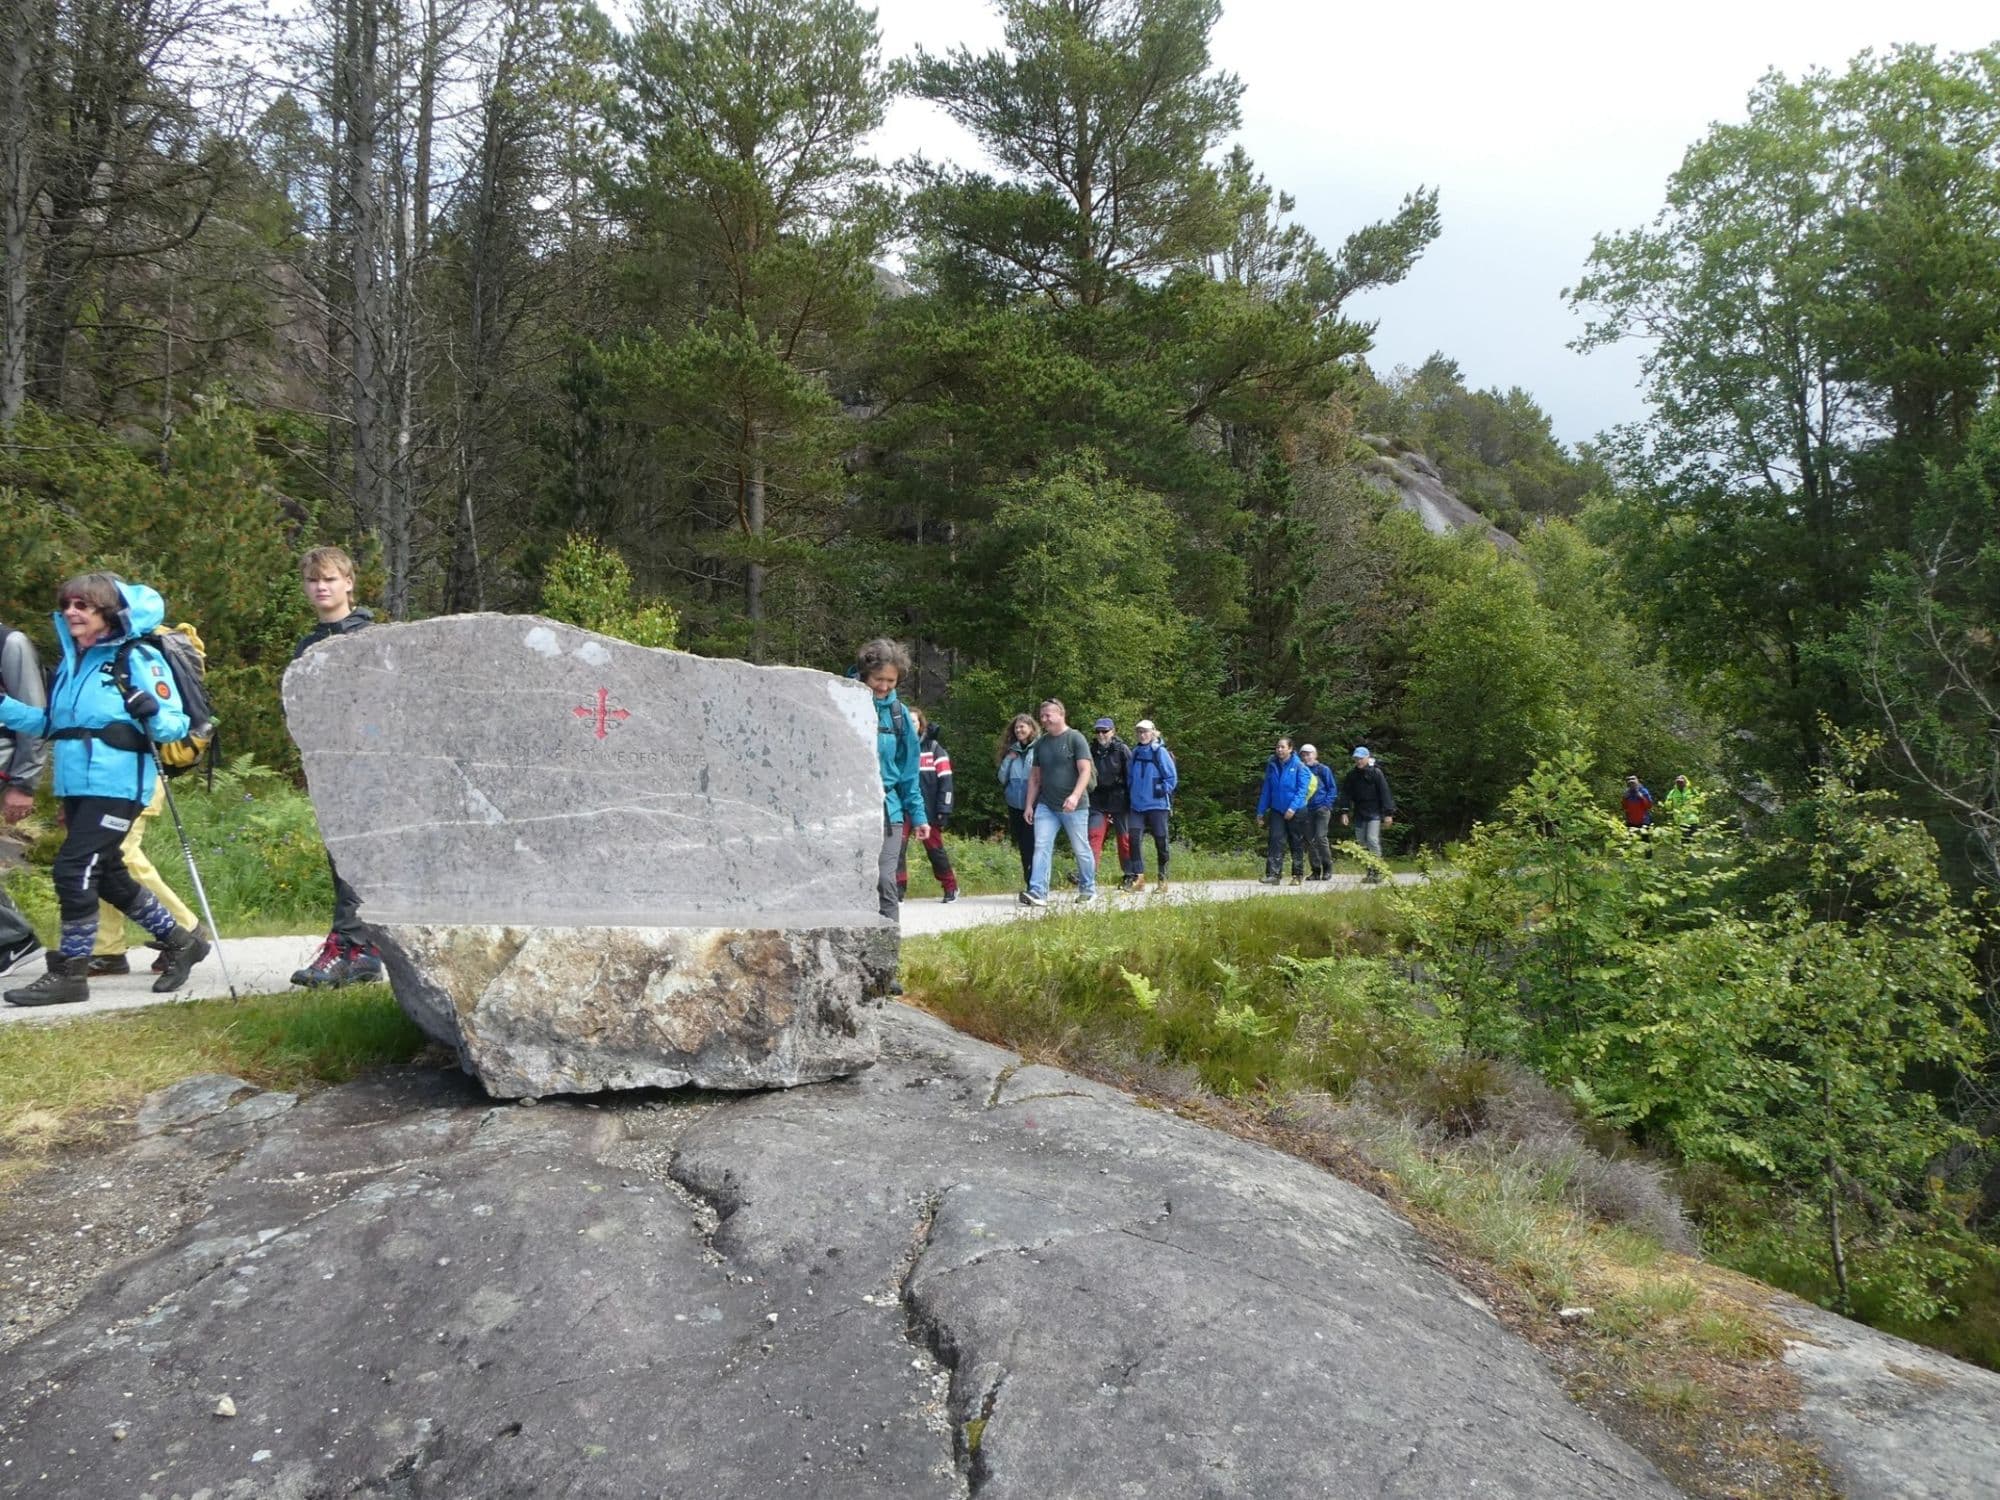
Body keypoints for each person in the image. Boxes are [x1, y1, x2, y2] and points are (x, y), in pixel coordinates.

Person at [0, 573, 210, 1006]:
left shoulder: (137, 657)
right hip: (77, 786)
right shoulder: (75, 663)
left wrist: (149, 709)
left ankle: (71, 973)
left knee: (74, 869)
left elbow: (174, 725)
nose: (71, 612)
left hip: (119, 785)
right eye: (68, 605)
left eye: (83, 606)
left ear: (107, 612)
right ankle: (181, 940)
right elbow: (51, 724)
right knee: (110, 874)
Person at [289, 547, 383, 988]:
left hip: (369, 766)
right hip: (329, 767)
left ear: (349, 583)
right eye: (313, 580)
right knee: (341, 860)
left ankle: (350, 946)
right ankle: (360, 952)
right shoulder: (308, 645)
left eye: (329, 578)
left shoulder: (372, 638)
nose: (321, 587)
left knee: (357, 859)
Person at [856, 638, 928, 920]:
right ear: (864, 675)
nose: (884, 687)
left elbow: (909, 774)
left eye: (891, 681)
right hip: (850, 809)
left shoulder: (899, 718)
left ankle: (888, 949)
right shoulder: (842, 702)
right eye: (878, 679)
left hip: (889, 809)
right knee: (854, 880)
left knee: (885, 880)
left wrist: (919, 816)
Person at [0, 619, 49, 978]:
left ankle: (15, 939)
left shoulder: (10, 643)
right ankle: (12, 937)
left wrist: (24, 782)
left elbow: (34, 717)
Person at [1021, 698, 1095, 907]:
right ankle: (1038, 892)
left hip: (1075, 807)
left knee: (1081, 848)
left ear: (1061, 714)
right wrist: (1029, 805)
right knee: (1041, 846)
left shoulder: (1075, 738)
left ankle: (1088, 889)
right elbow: (1035, 778)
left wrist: (1074, 795)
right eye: (1042, 716)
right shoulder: (1041, 744)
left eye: (1048, 715)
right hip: (1047, 805)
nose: (1044, 719)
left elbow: (1085, 770)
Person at [896, 707, 960, 904]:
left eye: (914, 721)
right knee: (897, 848)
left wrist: (944, 809)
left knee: (935, 850)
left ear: (921, 724)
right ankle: (898, 889)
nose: (911, 725)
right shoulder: (898, 747)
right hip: (902, 807)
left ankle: (950, 886)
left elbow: (946, 782)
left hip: (928, 810)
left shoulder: (934, 748)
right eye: (908, 721)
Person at [1125, 718, 1177, 892]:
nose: (1142, 734)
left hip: (1157, 805)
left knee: (1161, 842)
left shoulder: (1160, 752)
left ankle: (1163, 881)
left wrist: (1160, 790)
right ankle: (1138, 879)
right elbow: (1130, 777)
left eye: (1145, 731)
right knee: (1133, 839)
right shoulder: (1136, 752)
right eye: (1139, 732)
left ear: (1153, 732)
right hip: (1137, 805)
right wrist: (1130, 794)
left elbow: (1171, 778)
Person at [1087, 716, 1135, 887]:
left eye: (1104, 731)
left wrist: (1132, 800)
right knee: (1094, 835)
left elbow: (1131, 777)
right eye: (1098, 731)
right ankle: (1088, 875)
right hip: (1098, 799)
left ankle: (1130, 875)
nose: (1101, 735)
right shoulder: (1090, 750)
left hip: (1120, 799)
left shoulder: (1122, 750)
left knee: (1125, 838)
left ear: (1113, 732)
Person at [1256, 736, 1312, 885]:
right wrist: (1260, 812)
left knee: (1296, 842)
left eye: (1283, 747)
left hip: (1296, 810)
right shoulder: (1272, 765)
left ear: (1290, 749)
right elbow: (1267, 790)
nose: (1279, 750)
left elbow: (1302, 791)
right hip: (1277, 809)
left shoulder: (1299, 766)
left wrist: (1292, 808)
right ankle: (1273, 875)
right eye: (1277, 747)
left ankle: (1297, 875)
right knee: (1275, 840)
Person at [1340, 747, 1396, 884]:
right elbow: (1346, 794)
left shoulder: (1376, 773)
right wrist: (1344, 812)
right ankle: (1369, 870)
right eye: (1356, 758)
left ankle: (1377, 870)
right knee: (1362, 843)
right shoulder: (1352, 775)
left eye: (1360, 758)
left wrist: (1388, 813)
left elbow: (1385, 792)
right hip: (1359, 812)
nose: (1358, 761)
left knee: (1372, 840)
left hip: (1374, 812)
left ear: (1367, 757)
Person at [996, 713, 1038, 887]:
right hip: (1014, 805)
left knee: (1034, 845)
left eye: (1023, 726)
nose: (1019, 730)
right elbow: (1001, 778)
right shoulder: (1012, 751)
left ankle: (1035, 884)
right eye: (1017, 727)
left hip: (1035, 804)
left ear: (1031, 728)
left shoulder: (1038, 748)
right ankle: (1030, 882)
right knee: (1023, 846)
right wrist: (1008, 759)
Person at [1299, 744, 1339, 881]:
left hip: (1322, 808)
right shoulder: (1301, 770)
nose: (1306, 757)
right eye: (1303, 755)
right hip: (1306, 809)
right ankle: (1315, 871)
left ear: (1315, 755)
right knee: (1310, 841)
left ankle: (1327, 868)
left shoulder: (1323, 769)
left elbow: (1332, 788)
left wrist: (1327, 805)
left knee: (1321, 838)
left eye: (1308, 754)